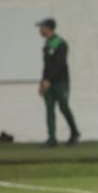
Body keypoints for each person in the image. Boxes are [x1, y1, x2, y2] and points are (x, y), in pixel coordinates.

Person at [36, 18, 80, 147]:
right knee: (49, 108)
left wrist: (49, 80)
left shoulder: (60, 43)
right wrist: (43, 81)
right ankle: (52, 138)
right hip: (48, 82)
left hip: (60, 82)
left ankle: (74, 132)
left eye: (42, 27)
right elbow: (47, 65)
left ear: (48, 28)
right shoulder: (47, 44)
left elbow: (60, 64)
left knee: (63, 107)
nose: (40, 30)